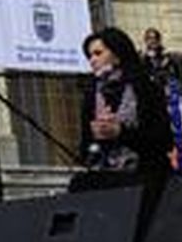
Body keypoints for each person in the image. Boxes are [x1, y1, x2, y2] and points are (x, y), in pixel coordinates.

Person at [74, 28, 172, 186]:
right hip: (106, 175)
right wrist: (96, 136)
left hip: (145, 174)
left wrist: (121, 132)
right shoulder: (91, 94)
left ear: (117, 55)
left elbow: (164, 140)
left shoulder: (145, 88)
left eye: (98, 53)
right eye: (90, 56)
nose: (92, 60)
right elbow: (85, 148)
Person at [142, 27, 182, 118]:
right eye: (149, 39)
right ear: (146, 41)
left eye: (155, 38)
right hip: (152, 99)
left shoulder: (169, 57)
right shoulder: (142, 59)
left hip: (170, 97)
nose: (152, 41)